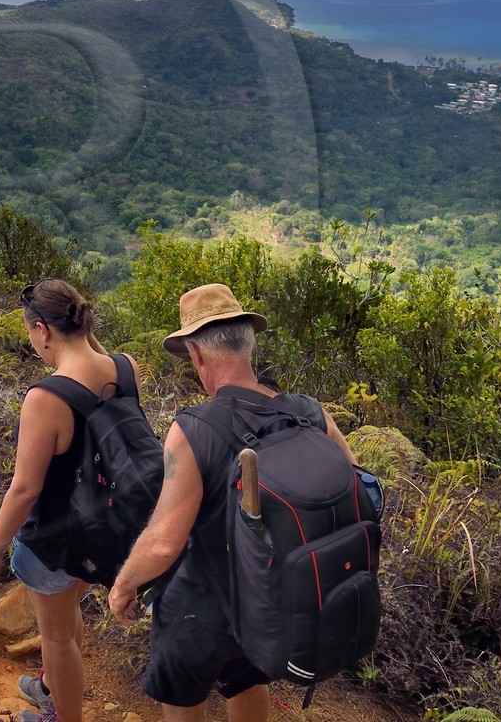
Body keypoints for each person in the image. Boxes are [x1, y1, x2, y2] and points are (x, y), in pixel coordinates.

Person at [106, 284, 357, 722]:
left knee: (183, 701)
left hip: (199, 611)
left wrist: (124, 586)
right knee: (247, 679)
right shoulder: (311, 412)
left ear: (197, 355)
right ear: (250, 344)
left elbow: (164, 542)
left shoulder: (194, 428)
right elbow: (357, 484)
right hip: (271, 602)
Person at [0, 278, 142, 722]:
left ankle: (62, 715)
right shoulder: (125, 368)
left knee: (57, 637)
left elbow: (26, 488)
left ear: (42, 331)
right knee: (68, 613)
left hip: (54, 539)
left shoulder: (46, 398)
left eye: (31, 331)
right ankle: (50, 685)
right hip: (105, 529)